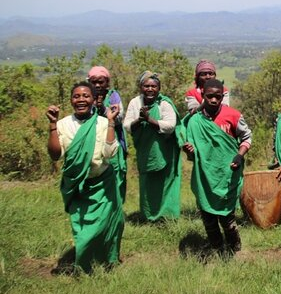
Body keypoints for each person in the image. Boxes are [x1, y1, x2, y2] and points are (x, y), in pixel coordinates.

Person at [46, 82, 124, 273]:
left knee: (110, 224)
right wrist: (52, 125)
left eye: (86, 96)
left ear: (94, 99)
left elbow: (109, 153)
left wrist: (112, 122)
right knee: (83, 231)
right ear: (71, 100)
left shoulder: (103, 123)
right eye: (76, 96)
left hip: (102, 182)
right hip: (76, 184)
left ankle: (105, 261)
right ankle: (84, 267)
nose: (81, 100)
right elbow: (56, 155)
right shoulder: (63, 124)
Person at [182, 79, 252, 255]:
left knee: (227, 217)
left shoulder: (233, 115)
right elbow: (193, 156)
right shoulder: (194, 121)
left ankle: (234, 250)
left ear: (223, 96)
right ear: (203, 96)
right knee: (208, 217)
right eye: (210, 96)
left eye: (218, 97)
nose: (214, 100)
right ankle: (217, 248)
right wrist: (189, 151)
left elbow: (246, 138)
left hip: (228, 173)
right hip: (205, 177)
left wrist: (239, 154)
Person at [124, 71, 183, 221]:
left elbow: (170, 125)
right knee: (148, 182)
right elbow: (127, 125)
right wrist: (139, 120)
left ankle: (167, 217)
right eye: (146, 86)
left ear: (159, 88)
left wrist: (150, 120)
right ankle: (149, 215)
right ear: (140, 87)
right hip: (145, 150)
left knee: (165, 182)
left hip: (165, 150)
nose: (150, 89)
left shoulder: (164, 103)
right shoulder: (135, 103)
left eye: (153, 86)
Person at [88, 65, 128, 203]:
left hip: (112, 140)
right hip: (93, 142)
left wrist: (103, 109)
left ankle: (115, 207)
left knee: (116, 172)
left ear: (107, 82)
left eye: (101, 81)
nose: (98, 85)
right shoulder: (85, 96)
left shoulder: (113, 96)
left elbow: (119, 118)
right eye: (94, 82)